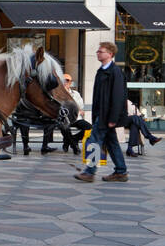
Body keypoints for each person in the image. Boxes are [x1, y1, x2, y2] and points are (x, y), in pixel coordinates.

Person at [75, 41, 129, 182]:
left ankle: (90, 172)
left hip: (106, 116)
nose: (98, 53)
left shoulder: (114, 72)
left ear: (110, 54)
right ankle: (121, 171)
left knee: (93, 141)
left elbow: (118, 97)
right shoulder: (102, 71)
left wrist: (113, 118)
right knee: (112, 143)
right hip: (101, 114)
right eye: (98, 51)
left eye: (101, 51)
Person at [44, 73, 85, 155]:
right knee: (65, 128)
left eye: (67, 81)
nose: (65, 82)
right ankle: (75, 147)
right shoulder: (55, 93)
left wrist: (78, 109)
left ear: (70, 83)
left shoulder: (75, 94)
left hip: (75, 118)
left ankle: (73, 139)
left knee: (90, 128)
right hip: (61, 119)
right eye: (63, 81)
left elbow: (80, 106)